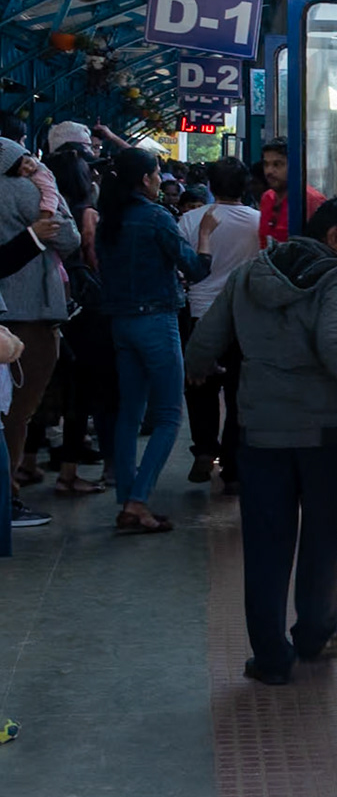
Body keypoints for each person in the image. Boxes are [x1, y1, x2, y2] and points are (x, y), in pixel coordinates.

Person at [187, 197, 337, 685]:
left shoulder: (249, 273)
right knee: (322, 537)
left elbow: (205, 337)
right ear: (332, 238)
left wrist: (200, 369)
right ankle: (315, 631)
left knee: (265, 545)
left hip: (259, 433)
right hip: (324, 433)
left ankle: (271, 658)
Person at [95, 147, 215, 534]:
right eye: (156, 173)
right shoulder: (156, 218)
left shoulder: (108, 220)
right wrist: (206, 237)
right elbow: (195, 269)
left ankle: (127, 497)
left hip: (121, 324)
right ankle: (138, 500)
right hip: (157, 323)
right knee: (167, 416)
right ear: (145, 179)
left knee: (130, 413)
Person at [0, 139, 79, 526]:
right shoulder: (23, 190)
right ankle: (7, 496)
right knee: (16, 411)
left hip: (6, 313)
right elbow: (68, 237)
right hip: (27, 316)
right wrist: (46, 182)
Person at [177, 158, 258, 490]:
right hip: (245, 315)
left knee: (199, 387)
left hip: (200, 312)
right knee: (239, 390)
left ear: (210, 186)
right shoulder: (258, 222)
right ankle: (233, 466)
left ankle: (204, 449)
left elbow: (183, 269)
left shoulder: (190, 220)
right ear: (246, 186)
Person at [42, 146, 112, 497]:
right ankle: (68, 473)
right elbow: (92, 256)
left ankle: (25, 464)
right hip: (82, 308)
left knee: (46, 386)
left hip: (49, 302)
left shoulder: (41, 208)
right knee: (81, 390)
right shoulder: (84, 214)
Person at [256, 138, 325, 247]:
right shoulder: (267, 198)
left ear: (294, 166)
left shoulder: (311, 200)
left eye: (277, 164)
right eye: (266, 164)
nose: (269, 171)